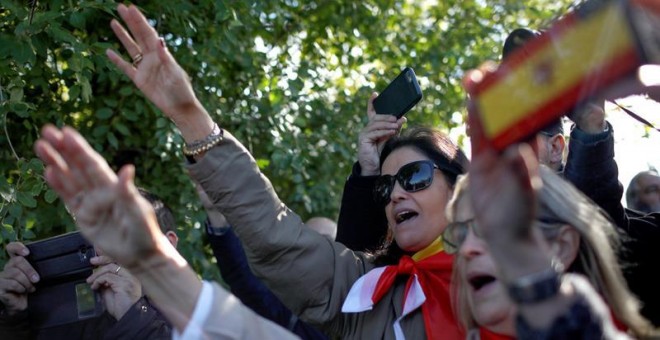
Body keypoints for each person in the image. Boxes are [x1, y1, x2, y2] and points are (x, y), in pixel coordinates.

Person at [104, 3, 470, 338]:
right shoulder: (366, 296)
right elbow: (274, 236)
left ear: (459, 188)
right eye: (385, 187)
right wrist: (190, 118)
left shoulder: (511, 260)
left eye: (414, 177)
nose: (396, 194)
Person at [0, 188, 175, 339]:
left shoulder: (198, 318)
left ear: (169, 244)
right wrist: (15, 318)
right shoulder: (73, 315)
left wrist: (134, 315)